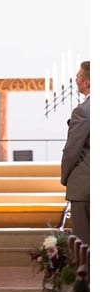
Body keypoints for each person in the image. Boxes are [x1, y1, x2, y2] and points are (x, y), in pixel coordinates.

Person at [61, 60, 89, 245]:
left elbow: (72, 150)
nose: (75, 79)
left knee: (84, 245)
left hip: (85, 186)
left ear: (87, 82)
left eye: (78, 76)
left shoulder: (83, 110)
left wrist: (64, 177)